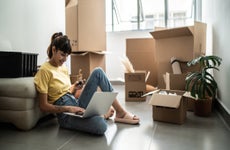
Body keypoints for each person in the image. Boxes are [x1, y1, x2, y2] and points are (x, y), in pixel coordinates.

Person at [34, 32, 140, 135]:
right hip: (65, 115)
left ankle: (120, 112)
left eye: (67, 56)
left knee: (98, 72)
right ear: (54, 50)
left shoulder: (63, 68)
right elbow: (43, 106)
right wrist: (69, 108)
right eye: (62, 55)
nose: (65, 59)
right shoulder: (44, 71)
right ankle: (102, 114)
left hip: (76, 104)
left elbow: (66, 92)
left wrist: (75, 87)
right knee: (101, 126)